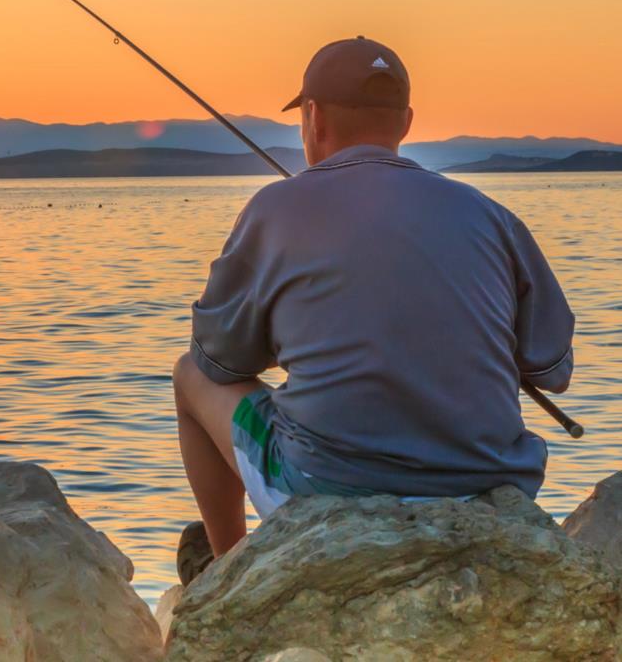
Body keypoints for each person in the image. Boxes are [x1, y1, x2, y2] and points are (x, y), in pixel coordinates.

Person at [172, 36, 575, 556]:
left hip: (324, 488)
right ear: (406, 122)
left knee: (188, 374)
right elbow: (553, 372)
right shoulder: (488, 215)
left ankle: (229, 567)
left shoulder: (276, 209)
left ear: (313, 118)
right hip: (485, 485)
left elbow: (219, 361)